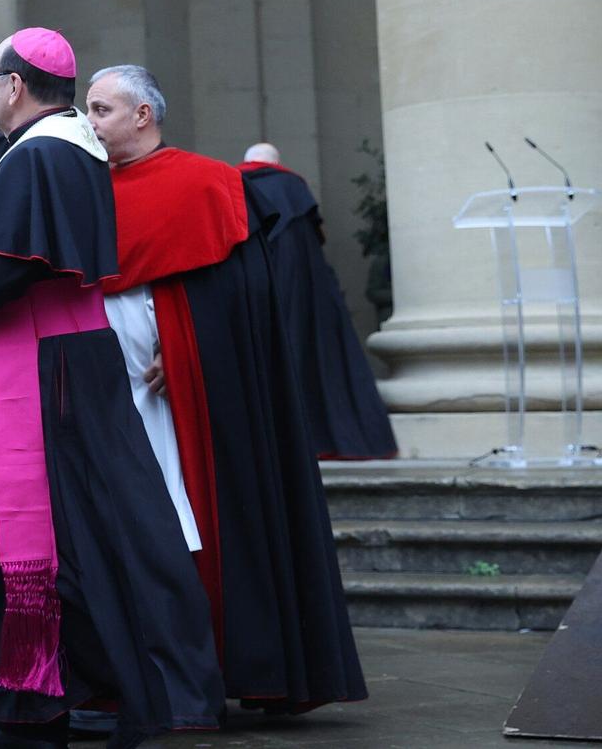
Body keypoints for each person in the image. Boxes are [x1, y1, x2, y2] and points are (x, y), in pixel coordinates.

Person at [0, 31, 220, 749]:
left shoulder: (44, 153)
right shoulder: (75, 145)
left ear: (15, 86)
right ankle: (81, 697)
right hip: (71, 357)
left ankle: (37, 718)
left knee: (27, 537)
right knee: (83, 535)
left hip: (39, 368)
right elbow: (14, 200)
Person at [84, 63, 364, 715]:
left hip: (196, 406)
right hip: (114, 392)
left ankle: (227, 665)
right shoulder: (88, 189)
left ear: (142, 116)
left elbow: (240, 309)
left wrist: (187, 352)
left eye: (100, 110)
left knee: (209, 520)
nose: (89, 122)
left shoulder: (208, 184)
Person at [236, 146, 398, 460]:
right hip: (302, 298)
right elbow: (314, 239)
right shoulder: (293, 185)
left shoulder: (233, 184)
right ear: (277, 162)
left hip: (253, 295)